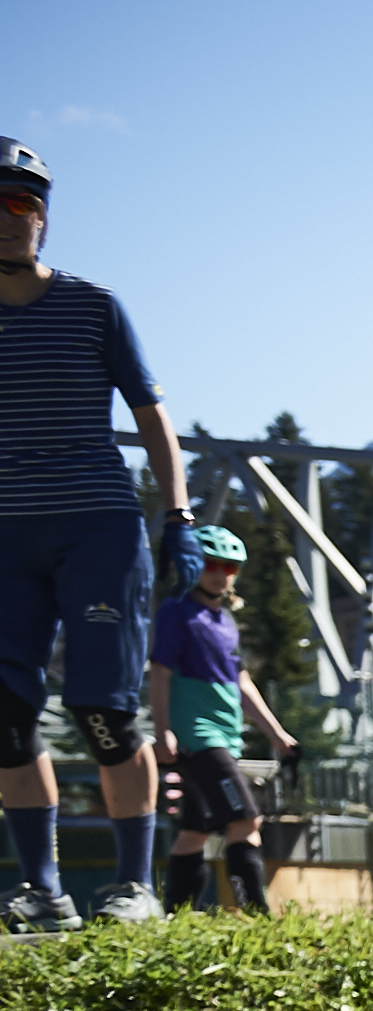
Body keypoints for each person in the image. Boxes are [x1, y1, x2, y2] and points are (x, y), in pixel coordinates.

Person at [0, 137, 201, 931]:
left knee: (103, 713)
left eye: (22, 202)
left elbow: (153, 418)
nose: (9, 217)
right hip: (5, 540)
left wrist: (178, 514)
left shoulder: (94, 306)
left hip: (98, 532)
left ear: (43, 218)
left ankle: (132, 888)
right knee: (6, 720)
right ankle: (43, 893)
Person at [147, 523, 297, 916]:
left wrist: (278, 735)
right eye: (210, 564)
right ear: (191, 565)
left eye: (229, 567)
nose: (220, 574)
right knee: (246, 821)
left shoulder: (225, 620)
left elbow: (242, 683)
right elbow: (160, 672)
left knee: (194, 831)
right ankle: (257, 915)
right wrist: (162, 731)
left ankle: (175, 916)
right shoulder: (177, 612)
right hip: (199, 737)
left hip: (226, 736)